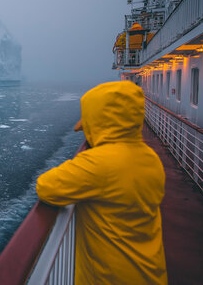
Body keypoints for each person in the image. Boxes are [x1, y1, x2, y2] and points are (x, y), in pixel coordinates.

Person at [36, 81, 167, 284]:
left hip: (111, 278)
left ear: (97, 123)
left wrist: (91, 155)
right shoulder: (150, 158)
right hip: (150, 272)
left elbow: (47, 187)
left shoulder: (99, 164)